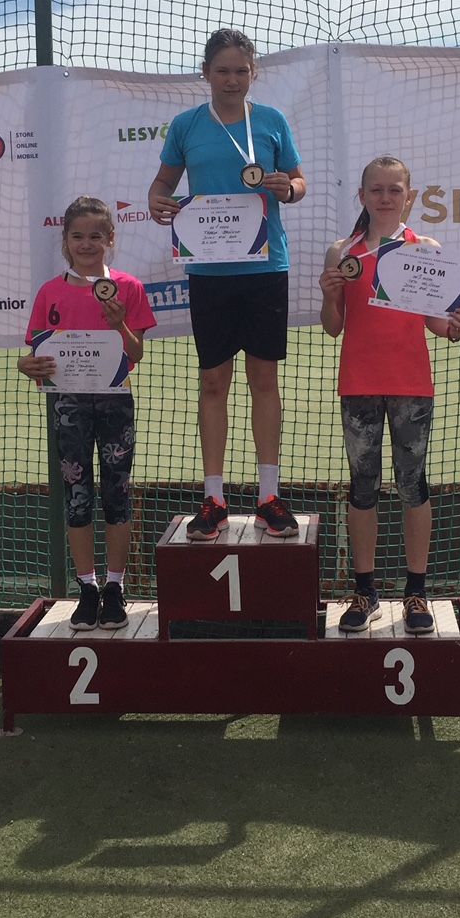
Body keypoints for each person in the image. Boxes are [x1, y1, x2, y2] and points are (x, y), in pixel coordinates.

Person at [148, 28, 307, 541]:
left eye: (241, 70)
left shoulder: (272, 120)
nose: (232, 79)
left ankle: (268, 497)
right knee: (214, 382)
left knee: (265, 381)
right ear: (205, 73)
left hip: (265, 268)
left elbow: (298, 182)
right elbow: (163, 183)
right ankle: (213, 499)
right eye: (222, 70)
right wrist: (156, 200)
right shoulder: (186, 124)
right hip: (210, 271)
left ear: (253, 73)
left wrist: (288, 187)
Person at [318, 155, 460, 634]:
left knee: (413, 485)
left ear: (410, 196)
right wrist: (329, 294)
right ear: (361, 196)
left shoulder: (425, 249)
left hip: (411, 385)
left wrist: (457, 325)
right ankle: (364, 591)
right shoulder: (342, 252)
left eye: (394, 189)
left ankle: (416, 593)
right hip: (359, 383)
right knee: (362, 487)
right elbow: (333, 327)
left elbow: (437, 323)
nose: (385, 198)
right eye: (376, 189)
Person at [18, 196, 157, 630]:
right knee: (77, 496)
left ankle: (114, 587)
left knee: (117, 493)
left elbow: (135, 354)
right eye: (77, 236)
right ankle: (87, 588)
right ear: (65, 240)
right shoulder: (50, 292)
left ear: (110, 239)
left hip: (115, 403)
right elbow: (35, 354)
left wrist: (119, 324)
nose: (86, 244)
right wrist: (26, 365)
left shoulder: (128, 288)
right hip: (69, 406)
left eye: (96, 236)